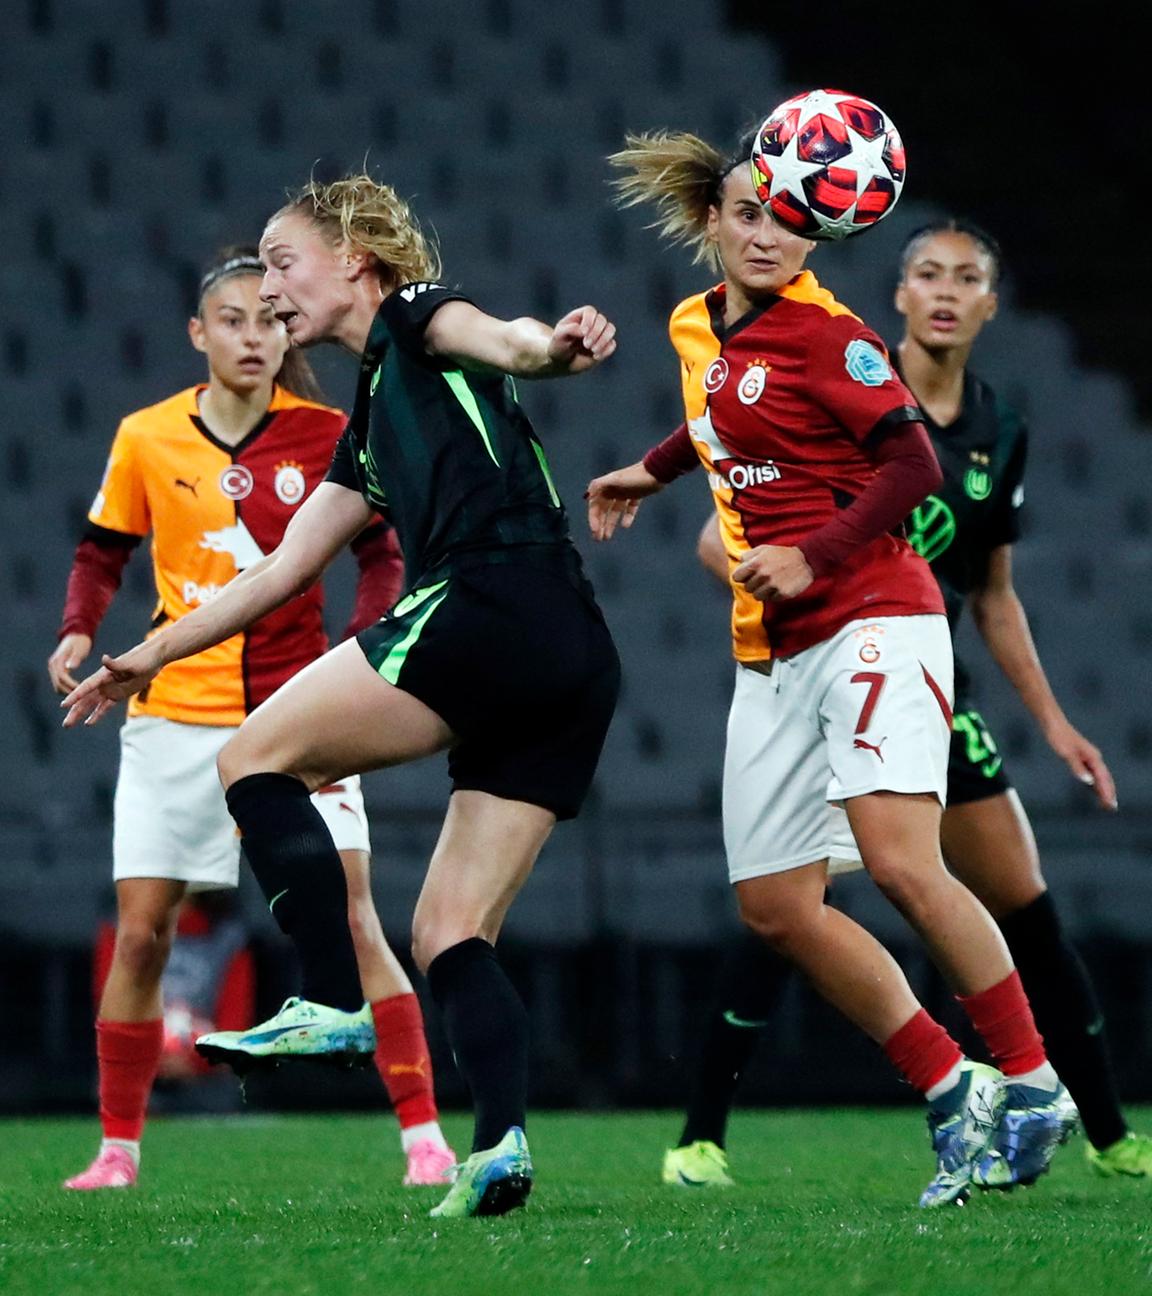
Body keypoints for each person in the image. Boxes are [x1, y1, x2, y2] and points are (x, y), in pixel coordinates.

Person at [61, 175, 621, 1219]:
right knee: (447, 931)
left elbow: (506, 341)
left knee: (251, 759)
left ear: (357, 259)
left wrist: (558, 347)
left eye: (282, 262)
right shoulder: (366, 416)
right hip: (574, 652)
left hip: (493, 603)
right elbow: (279, 573)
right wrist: (154, 653)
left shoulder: (413, 316)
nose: (269, 289)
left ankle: (325, 992)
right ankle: (498, 1145)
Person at [585, 130, 1075, 1207]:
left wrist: (814, 552)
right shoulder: (693, 323)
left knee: (900, 863)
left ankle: (1034, 1082)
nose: (768, 234)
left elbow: (912, 462)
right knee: (773, 906)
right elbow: (720, 413)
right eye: (748, 214)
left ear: (818, 226)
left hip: (875, 616)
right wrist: (652, 471)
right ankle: (955, 1089)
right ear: (711, 222)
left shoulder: (832, 335)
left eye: (789, 217)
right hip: (772, 650)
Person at [668, 219, 1150, 1185]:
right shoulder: (837, 356)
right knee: (782, 903)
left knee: (1002, 899)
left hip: (914, 658)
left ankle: (1082, 1118)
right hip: (814, 648)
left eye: (965, 277)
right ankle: (707, 1131)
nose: (943, 291)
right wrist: (754, 554)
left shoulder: (998, 429)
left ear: (988, 304)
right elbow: (729, 510)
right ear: (896, 294)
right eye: (925, 272)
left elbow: (995, 593)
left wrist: (1053, 723)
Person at [50, 247, 454, 1191]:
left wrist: (352, 650)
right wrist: (77, 629)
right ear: (199, 334)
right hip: (174, 717)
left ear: (287, 331)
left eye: (269, 320)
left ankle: (424, 1137)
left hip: (294, 721)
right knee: (145, 931)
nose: (253, 336)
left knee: (357, 920)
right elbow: (101, 552)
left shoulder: (327, 431)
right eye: (232, 320)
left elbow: (385, 556)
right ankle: (118, 1149)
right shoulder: (146, 437)